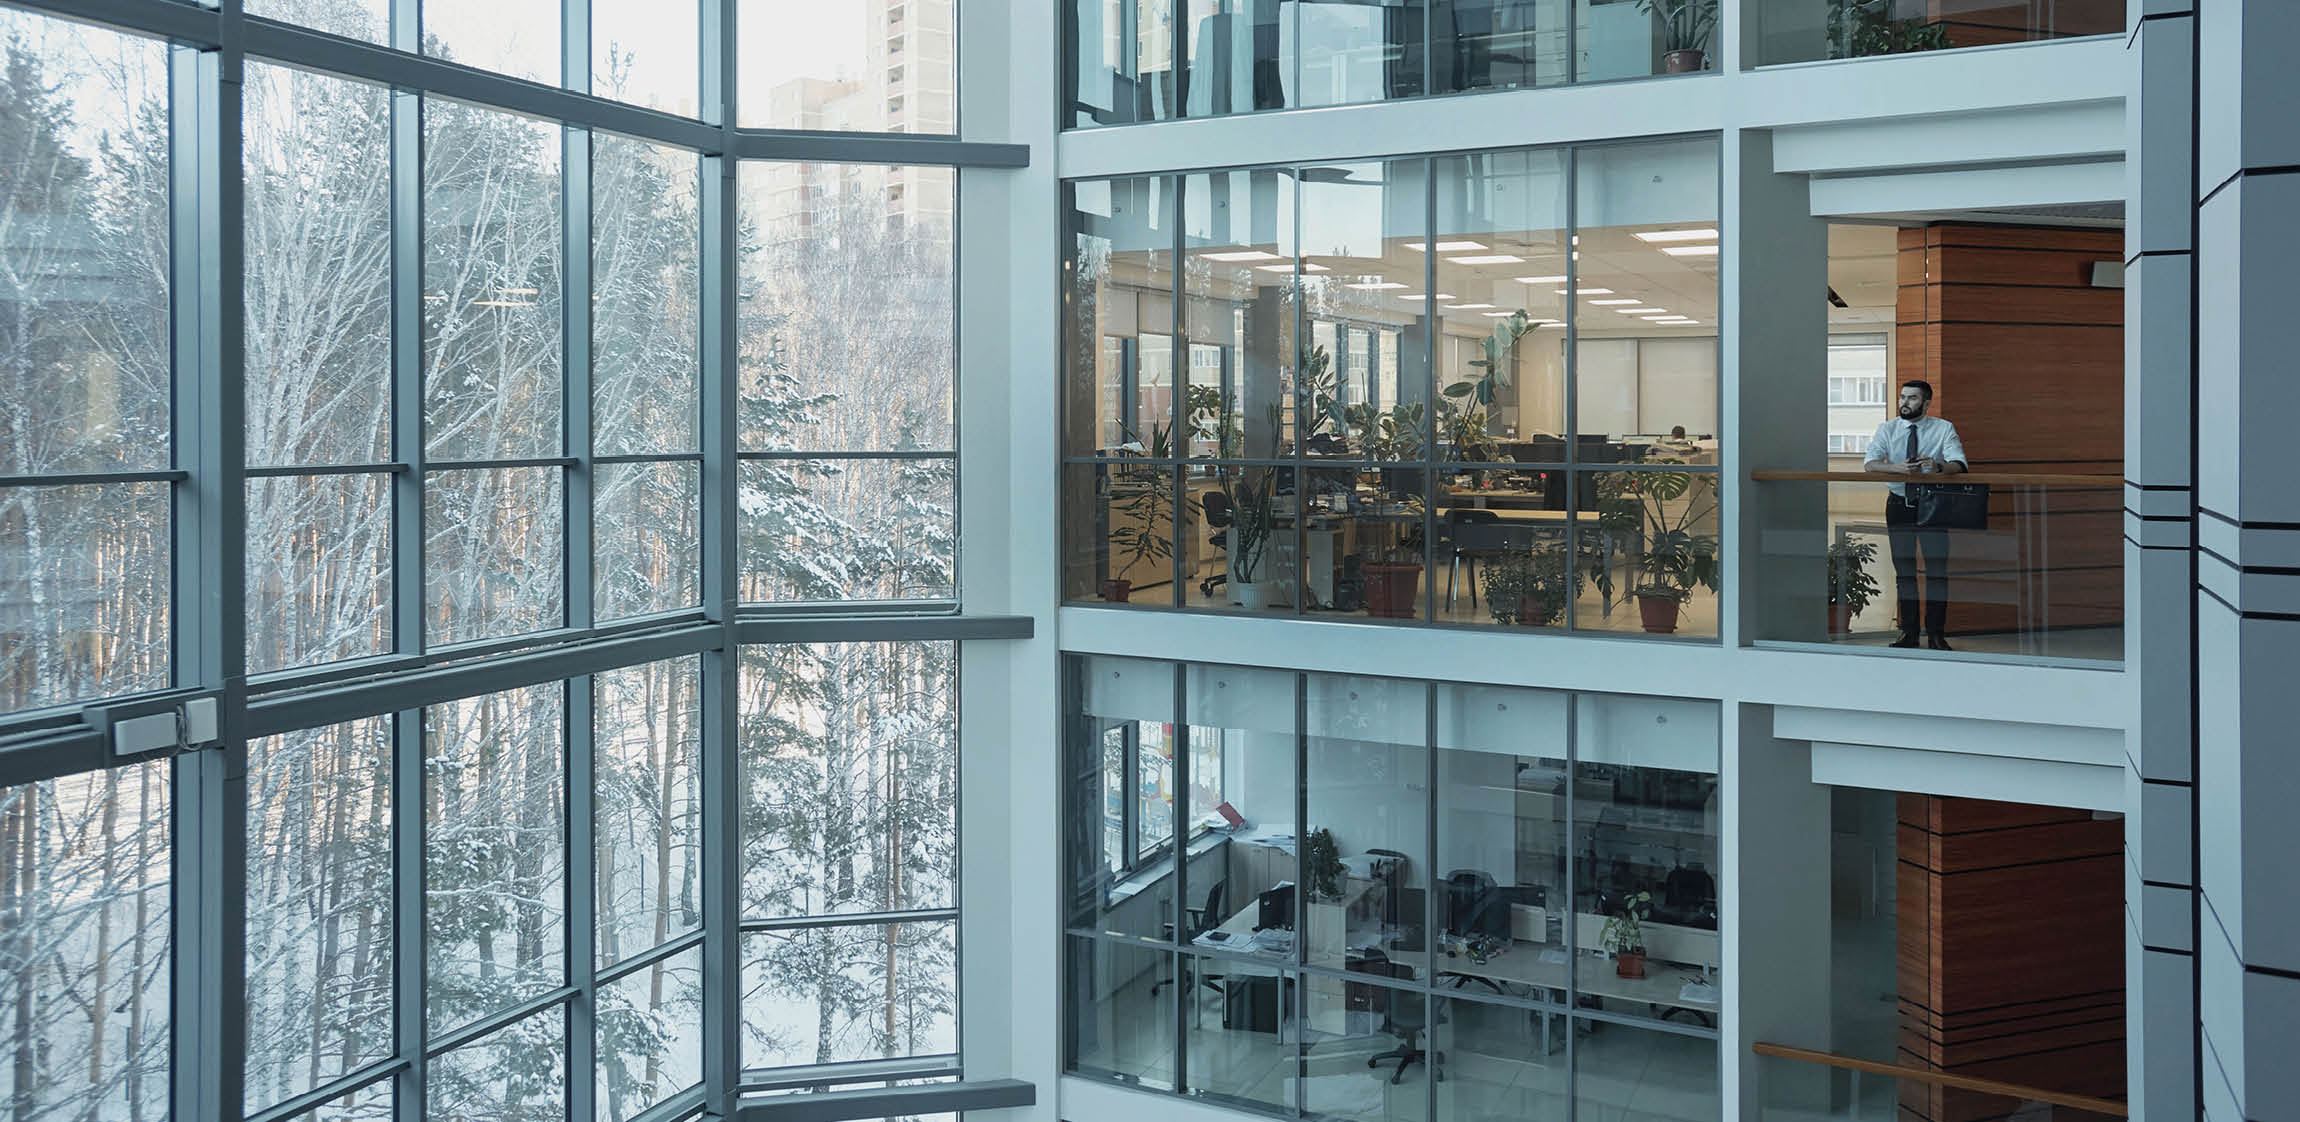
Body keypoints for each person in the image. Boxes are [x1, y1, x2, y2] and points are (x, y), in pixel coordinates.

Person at [1863, 379, 1967, 650]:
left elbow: (1959, 463)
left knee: (1936, 572)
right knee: (1904, 573)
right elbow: (1870, 464)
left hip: (1933, 506)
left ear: (1926, 403)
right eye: (1902, 397)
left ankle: (1935, 634)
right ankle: (1908, 634)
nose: (1904, 403)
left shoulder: (1943, 428)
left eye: (1911, 398)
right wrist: (1898, 469)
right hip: (1899, 505)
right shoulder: (1887, 429)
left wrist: (1938, 467)